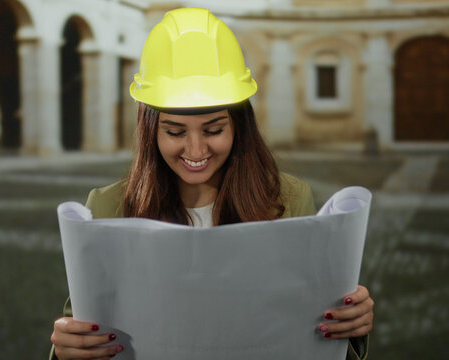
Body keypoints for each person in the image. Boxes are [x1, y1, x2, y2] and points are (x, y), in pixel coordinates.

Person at [50, 7, 373, 360]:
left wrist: (348, 324)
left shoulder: (290, 200)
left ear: (239, 126)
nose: (196, 150)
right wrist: (67, 350)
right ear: (149, 129)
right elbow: (81, 327)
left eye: (214, 130)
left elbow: (313, 329)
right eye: (174, 132)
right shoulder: (106, 208)